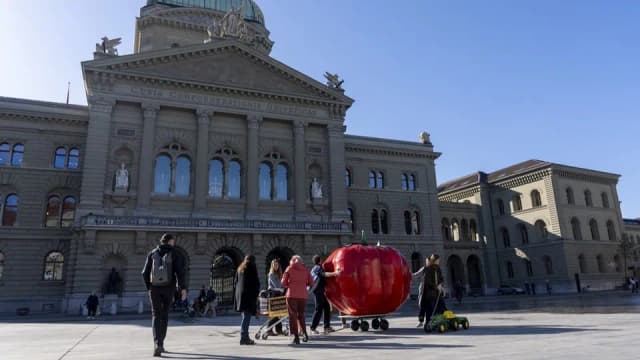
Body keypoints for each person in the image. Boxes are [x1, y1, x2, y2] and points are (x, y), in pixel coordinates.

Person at [142, 233, 188, 357]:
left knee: (156, 315)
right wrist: (182, 289)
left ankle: (157, 344)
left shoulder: (152, 253)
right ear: (170, 241)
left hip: (154, 289)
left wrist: (149, 288)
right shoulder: (175, 253)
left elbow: (144, 273)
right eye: (173, 241)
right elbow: (180, 273)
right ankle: (161, 344)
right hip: (169, 288)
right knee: (165, 315)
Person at [281, 255, 313, 345]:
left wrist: (289, 285)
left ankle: (296, 337)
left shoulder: (289, 268)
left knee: (293, 316)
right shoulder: (305, 269)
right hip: (303, 295)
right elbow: (311, 282)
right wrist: (303, 285)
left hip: (291, 295)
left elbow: (283, 282)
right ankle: (305, 334)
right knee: (301, 315)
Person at [309, 255, 341, 335]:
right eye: (321, 259)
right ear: (319, 260)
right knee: (318, 309)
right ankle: (313, 327)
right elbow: (324, 274)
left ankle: (327, 327)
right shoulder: (318, 267)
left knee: (326, 307)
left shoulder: (315, 267)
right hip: (318, 291)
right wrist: (335, 273)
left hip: (319, 291)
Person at [234, 255, 260, 346]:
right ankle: (244, 337)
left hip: (241, 296)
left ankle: (245, 337)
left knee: (245, 316)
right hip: (248, 296)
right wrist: (256, 295)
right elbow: (256, 283)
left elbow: (235, 282)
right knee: (246, 317)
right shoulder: (252, 267)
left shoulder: (240, 268)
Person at [415, 254, 446, 328]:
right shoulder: (427, 269)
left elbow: (441, 278)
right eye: (438, 260)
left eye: (439, 260)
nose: (439, 261)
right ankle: (427, 323)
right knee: (427, 308)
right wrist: (436, 286)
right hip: (428, 293)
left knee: (441, 306)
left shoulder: (438, 268)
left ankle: (440, 321)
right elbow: (428, 281)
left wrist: (441, 285)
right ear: (434, 260)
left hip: (436, 292)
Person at [267, 259, 285, 336]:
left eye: (277, 265)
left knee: (279, 313)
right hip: (273, 294)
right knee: (274, 313)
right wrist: (282, 288)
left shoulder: (280, 274)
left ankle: (279, 329)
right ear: (272, 265)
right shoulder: (271, 274)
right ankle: (269, 329)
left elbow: (282, 284)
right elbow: (276, 285)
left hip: (279, 294)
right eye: (274, 265)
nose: (276, 266)